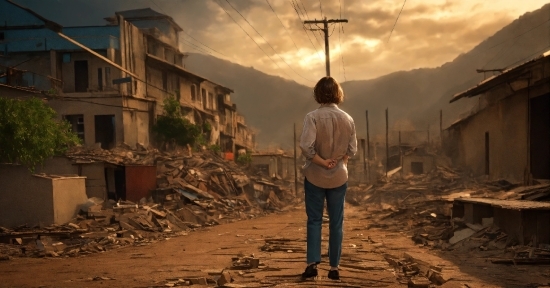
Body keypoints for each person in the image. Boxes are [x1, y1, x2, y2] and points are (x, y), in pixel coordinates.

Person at [299, 76, 357, 280]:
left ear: (317, 94)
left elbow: (306, 147)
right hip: (339, 176)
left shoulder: (312, 117)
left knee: (314, 220)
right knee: (336, 222)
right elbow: (352, 149)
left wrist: (323, 163)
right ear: (338, 94)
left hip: (315, 175)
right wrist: (338, 163)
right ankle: (334, 268)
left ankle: (312, 264)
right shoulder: (348, 119)